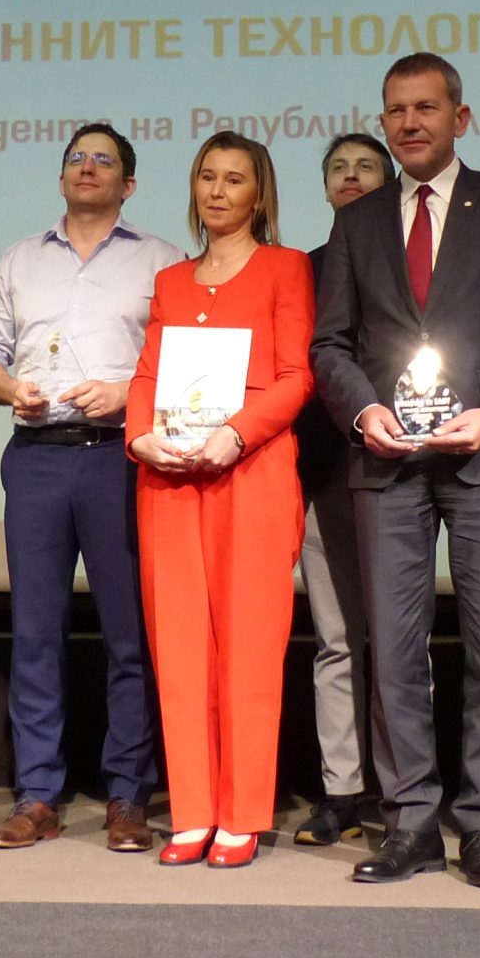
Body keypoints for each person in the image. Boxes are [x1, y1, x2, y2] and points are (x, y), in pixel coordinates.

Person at [311, 52, 480, 890]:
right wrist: (364, 412)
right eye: (396, 110)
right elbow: (331, 344)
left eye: (425, 107)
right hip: (385, 460)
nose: (409, 122)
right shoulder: (357, 221)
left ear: (461, 117)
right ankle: (410, 822)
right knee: (393, 647)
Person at [0, 123, 181, 853]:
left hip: (120, 459)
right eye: (76, 159)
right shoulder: (19, 259)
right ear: (61, 177)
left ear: (128, 184)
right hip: (35, 457)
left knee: (130, 636)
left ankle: (129, 796)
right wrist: (8, 389)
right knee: (35, 634)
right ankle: (37, 795)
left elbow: (180, 362)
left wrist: (127, 394)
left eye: (104, 160)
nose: (87, 168)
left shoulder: (161, 261)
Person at [125, 132, 313, 868]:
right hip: (170, 476)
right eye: (207, 176)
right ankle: (193, 811)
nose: (217, 190)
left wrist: (237, 433)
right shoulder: (172, 279)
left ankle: (241, 814)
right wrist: (140, 436)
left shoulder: (285, 268)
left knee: (249, 644)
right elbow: (147, 375)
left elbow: (297, 376)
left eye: (235, 179)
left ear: (258, 195)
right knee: (178, 648)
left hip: (250, 471)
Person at [288, 132, 389, 847]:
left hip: (402, 475)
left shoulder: (419, 263)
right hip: (324, 471)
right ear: (325, 187)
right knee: (336, 640)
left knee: (400, 642)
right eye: (339, 169)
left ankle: (406, 788)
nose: (351, 177)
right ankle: (343, 792)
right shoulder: (303, 270)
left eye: (366, 167)